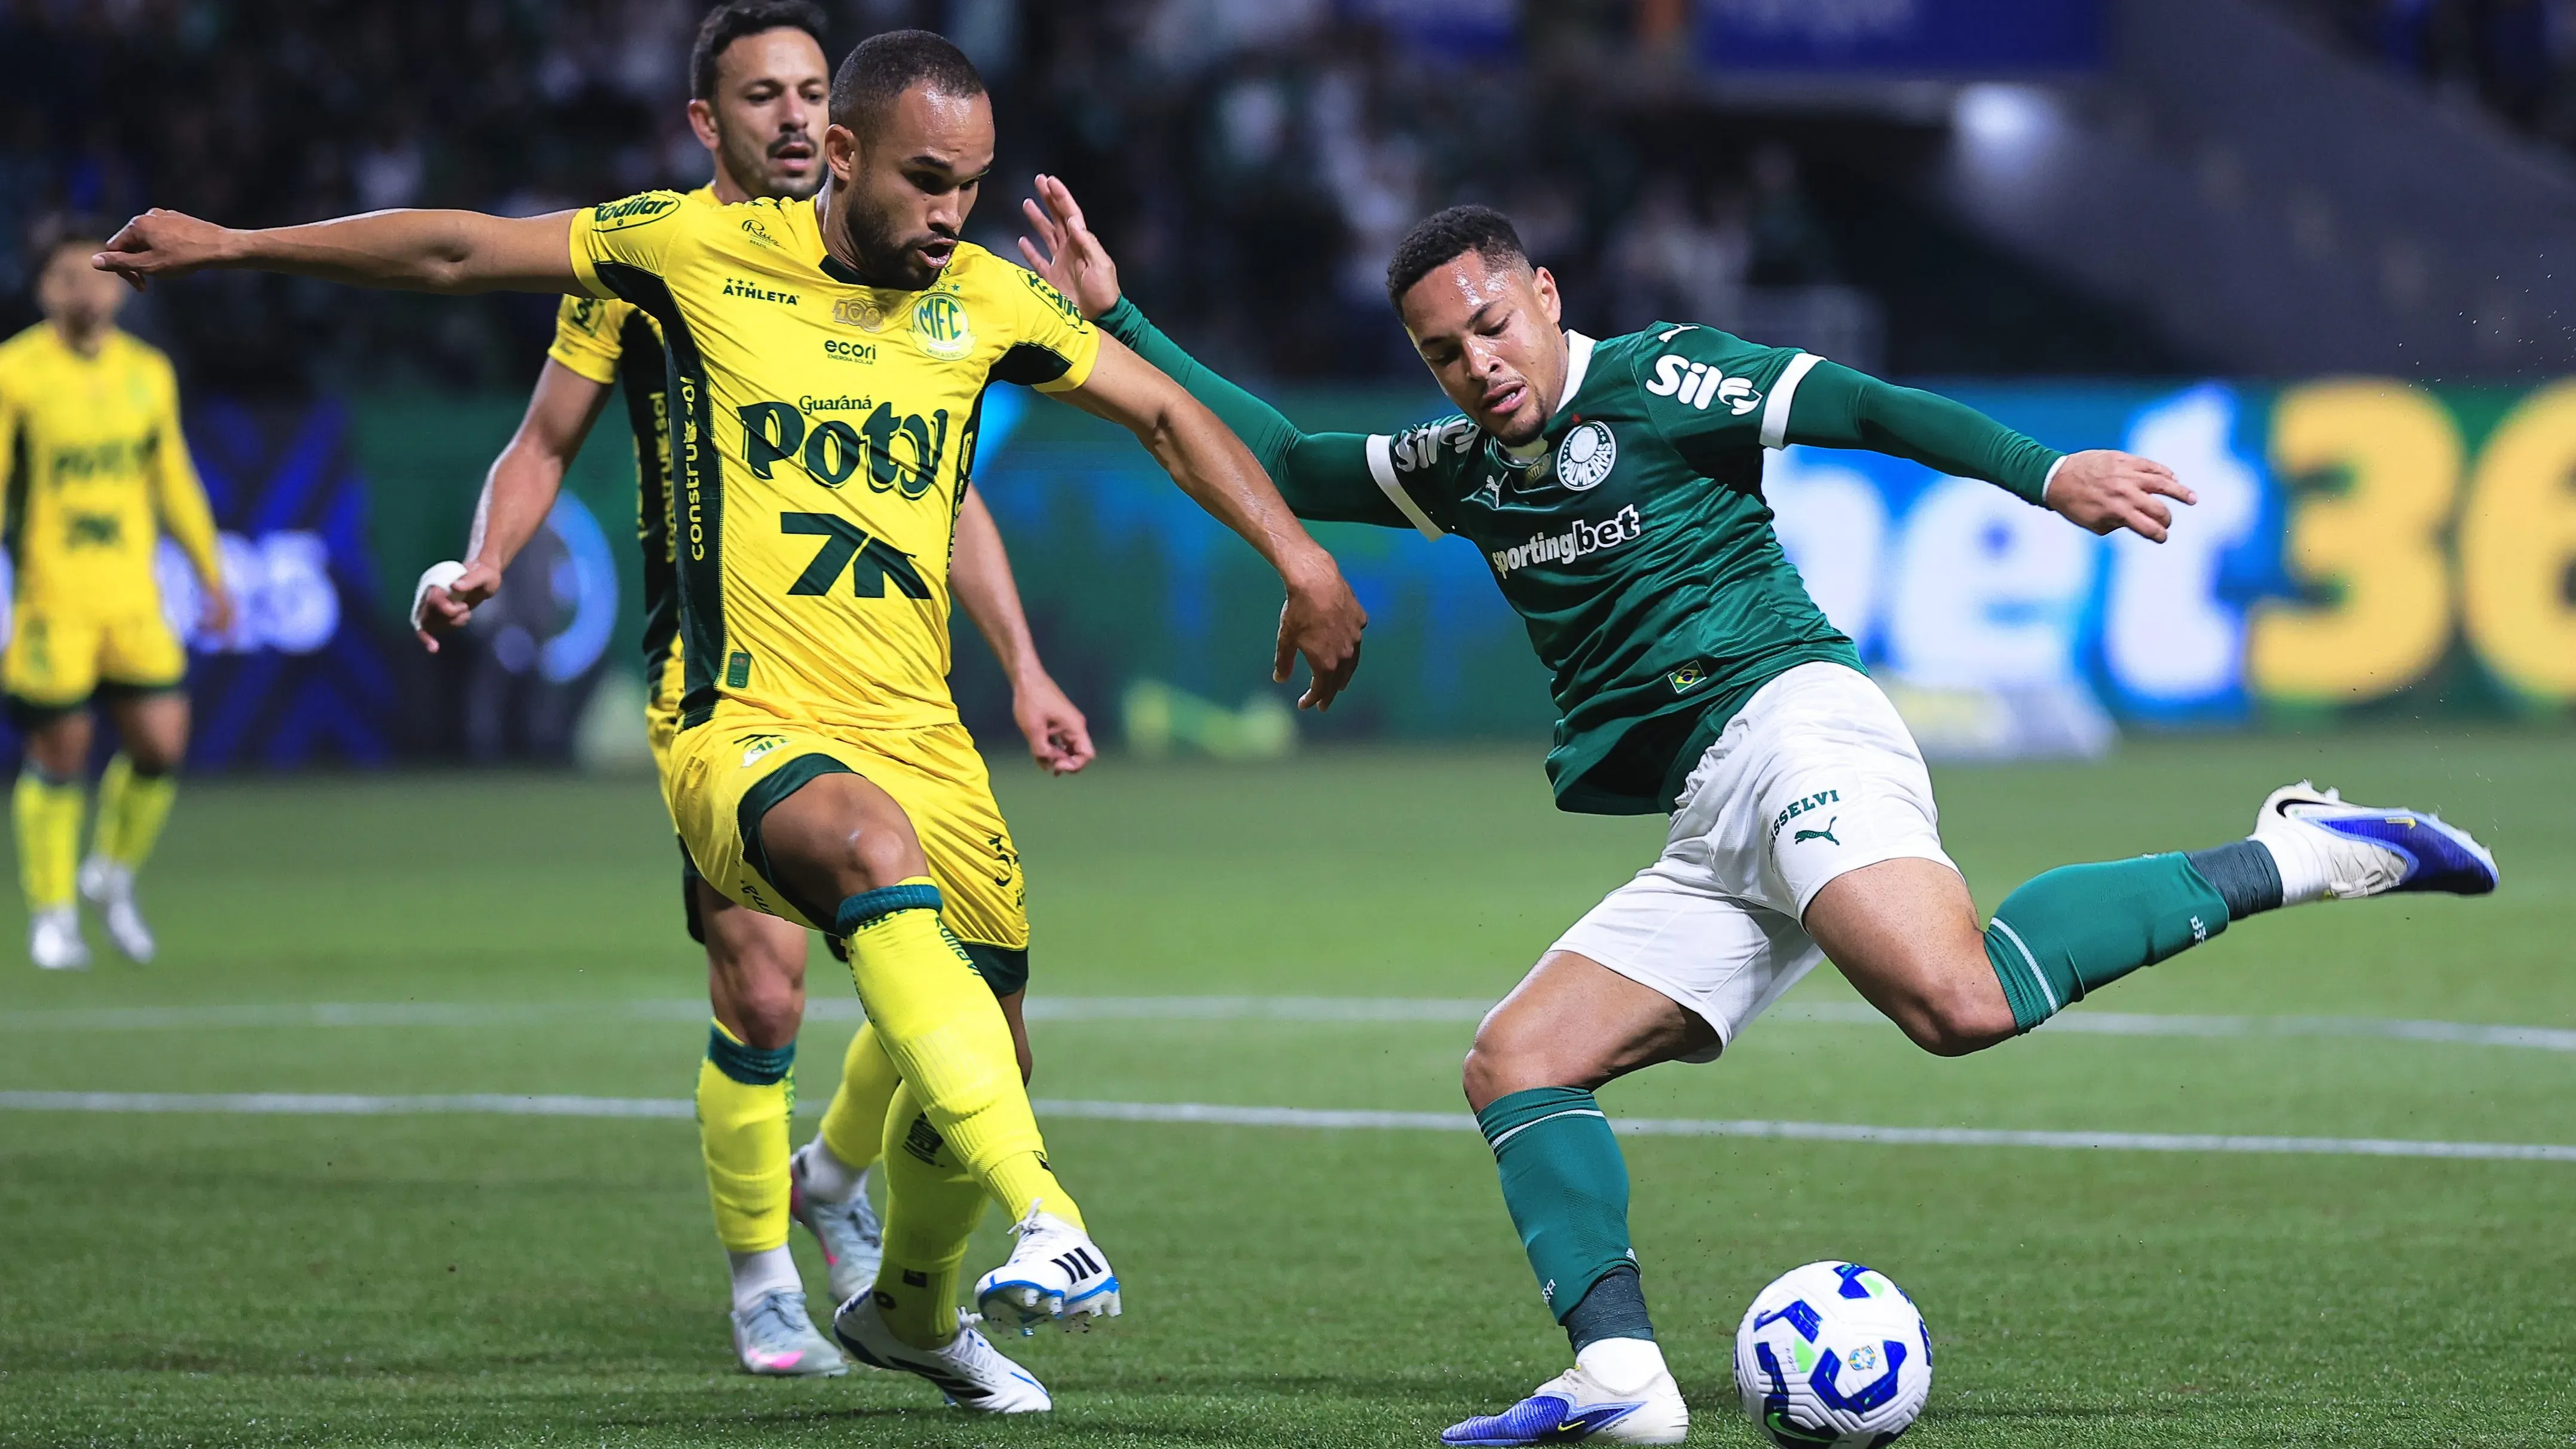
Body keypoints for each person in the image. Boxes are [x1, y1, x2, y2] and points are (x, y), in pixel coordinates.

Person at [1015, 183, 2499, 1445]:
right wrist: (1117, 324)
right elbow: (1277, 461)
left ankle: (2303, 848)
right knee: (1515, 1062)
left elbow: (1858, 405)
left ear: (1543, 294)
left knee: (1954, 1000)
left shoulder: (1666, 376)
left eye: (1490, 324)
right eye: (1438, 351)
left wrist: (2044, 474)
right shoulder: (1461, 470)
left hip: (1790, 722)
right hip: (1703, 818)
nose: (1473, 365)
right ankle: (1621, 1374)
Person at [97, 30, 1367, 1414]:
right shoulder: (680, 258)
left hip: (917, 724)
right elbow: (463, 255)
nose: (952, 211)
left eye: (972, 183)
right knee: (829, 909)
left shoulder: (985, 303)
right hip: (736, 714)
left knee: (987, 1035)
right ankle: (1023, 1216)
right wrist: (231, 245)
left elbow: (1155, 422)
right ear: (837, 156)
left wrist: (1297, 564)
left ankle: (914, 1311)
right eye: (928, 181)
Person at [409, 1, 1090, 1381]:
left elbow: (940, 492)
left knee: (933, 955)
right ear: (705, 121)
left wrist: (1020, 661)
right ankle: (763, 1277)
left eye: (807, 90)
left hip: (888, 681)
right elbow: (543, 436)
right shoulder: (651, 256)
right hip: (717, 678)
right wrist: (486, 558)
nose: (790, 115)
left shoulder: (893, 276)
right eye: (760, 94)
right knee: (768, 991)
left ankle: (834, 1174)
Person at [0, 219, 232, 971]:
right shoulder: (15, 373)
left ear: (124, 287)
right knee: (60, 752)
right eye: (69, 277)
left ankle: (109, 875)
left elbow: (174, 481)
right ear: (44, 289)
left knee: (162, 744)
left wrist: (211, 575)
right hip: (53, 597)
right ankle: (52, 914)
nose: (87, 291)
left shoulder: (148, 374)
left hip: (132, 598)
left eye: (99, 276)